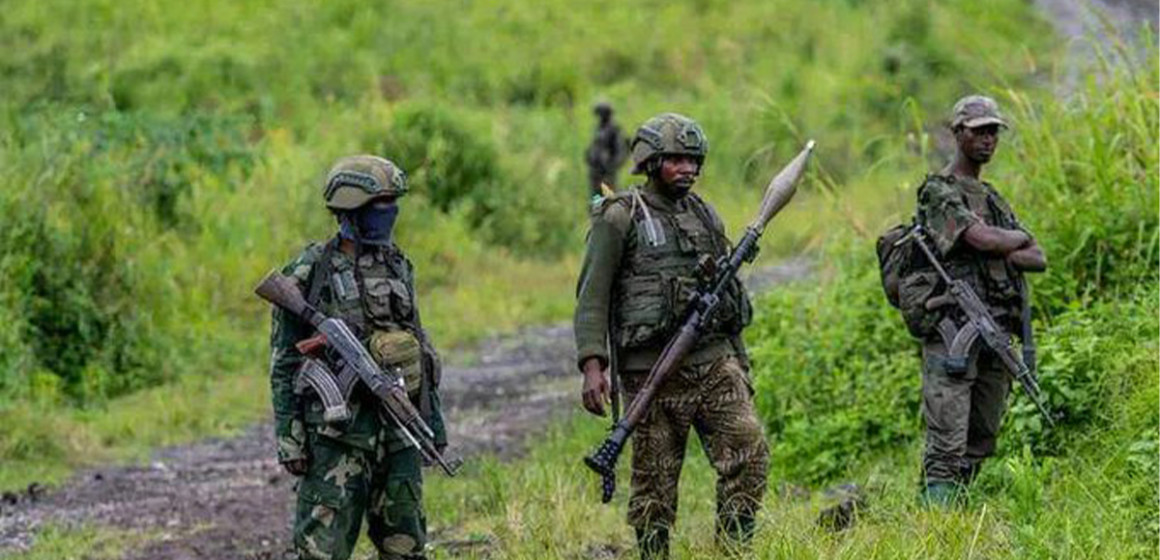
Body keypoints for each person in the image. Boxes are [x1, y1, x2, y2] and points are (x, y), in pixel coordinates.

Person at [573, 113, 769, 559]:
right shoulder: (621, 217)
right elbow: (592, 295)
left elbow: (727, 294)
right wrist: (592, 365)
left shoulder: (704, 213)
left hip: (714, 363)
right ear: (651, 161)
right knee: (655, 485)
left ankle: (735, 549)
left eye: (694, 161)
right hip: (652, 375)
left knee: (749, 451)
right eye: (676, 160)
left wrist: (740, 361)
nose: (688, 169)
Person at [268, 155, 446, 560]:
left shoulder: (397, 264)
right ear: (351, 209)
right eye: (380, 205)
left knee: (406, 544)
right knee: (322, 550)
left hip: (399, 428)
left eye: (392, 203)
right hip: (337, 436)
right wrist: (290, 439)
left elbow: (420, 344)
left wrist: (432, 421)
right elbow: (284, 362)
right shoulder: (312, 269)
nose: (390, 213)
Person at [913, 96, 1047, 506]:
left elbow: (1038, 257)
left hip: (994, 330)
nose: (988, 139)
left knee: (982, 435)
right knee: (946, 440)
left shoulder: (992, 198)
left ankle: (957, 515)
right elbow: (978, 238)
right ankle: (933, 525)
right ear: (957, 134)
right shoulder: (937, 191)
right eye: (979, 131)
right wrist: (1009, 242)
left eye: (993, 131)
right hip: (952, 329)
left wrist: (1003, 244)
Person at [585, 101, 629, 203]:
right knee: (596, 198)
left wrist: (611, 166)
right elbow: (595, 145)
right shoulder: (599, 128)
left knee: (608, 197)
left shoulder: (614, 129)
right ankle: (596, 215)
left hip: (606, 172)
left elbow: (620, 150)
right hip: (595, 170)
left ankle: (608, 215)